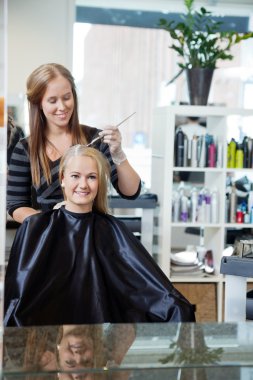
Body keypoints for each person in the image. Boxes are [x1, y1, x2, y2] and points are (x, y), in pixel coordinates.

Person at [4, 145, 195, 326]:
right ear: (63, 179)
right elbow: (18, 303)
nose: (83, 185)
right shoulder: (35, 228)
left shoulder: (113, 230)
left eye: (91, 177)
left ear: (99, 182)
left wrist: (179, 312)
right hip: (49, 344)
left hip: (102, 337)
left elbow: (151, 291)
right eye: (75, 176)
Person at [7, 63, 141, 224]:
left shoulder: (95, 140)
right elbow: (16, 204)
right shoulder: (25, 149)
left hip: (90, 235)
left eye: (66, 97)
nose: (62, 107)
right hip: (46, 236)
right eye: (52, 101)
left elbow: (131, 192)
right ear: (38, 104)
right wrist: (50, 223)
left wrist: (118, 154)